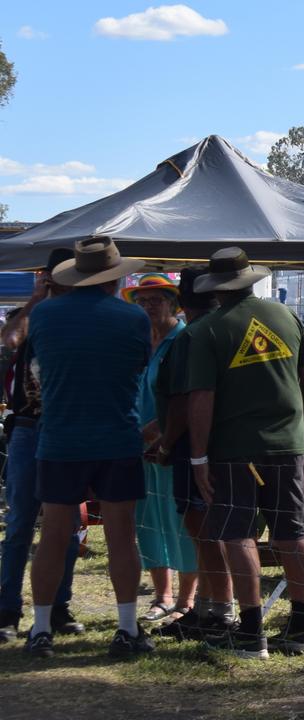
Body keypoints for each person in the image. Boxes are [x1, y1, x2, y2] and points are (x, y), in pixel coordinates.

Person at [186, 247, 304, 659]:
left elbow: (201, 398)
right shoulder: (286, 317)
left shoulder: (206, 330)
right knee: (292, 533)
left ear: (215, 288)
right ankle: (302, 625)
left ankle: (251, 633)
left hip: (234, 450)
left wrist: (197, 458)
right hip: (288, 446)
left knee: (238, 533)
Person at [24, 237, 153, 659]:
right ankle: (127, 627)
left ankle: (41, 629)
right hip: (117, 437)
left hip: (60, 438)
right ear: (113, 278)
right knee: (121, 538)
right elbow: (137, 366)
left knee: (53, 538)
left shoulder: (43, 315)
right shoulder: (133, 318)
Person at [0, 249, 85, 645]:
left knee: (67, 527)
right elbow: (9, 341)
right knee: (19, 524)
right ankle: (7, 610)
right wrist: (36, 299)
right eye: (55, 275)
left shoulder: (85, 313)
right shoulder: (33, 313)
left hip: (68, 429)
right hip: (29, 428)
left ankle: (58, 606)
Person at [148, 267, 235, 641]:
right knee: (206, 529)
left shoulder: (193, 336)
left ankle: (220, 612)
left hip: (195, 445)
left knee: (203, 529)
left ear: (181, 301)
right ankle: (205, 608)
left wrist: (168, 442)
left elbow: (186, 400)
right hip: (225, 441)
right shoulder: (227, 329)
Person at [124, 273, 198, 626]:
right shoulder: (138, 341)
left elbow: (185, 397)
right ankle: (161, 595)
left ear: (173, 303)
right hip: (137, 447)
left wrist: (157, 432)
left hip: (174, 443)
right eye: (142, 301)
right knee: (148, 519)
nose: (149, 306)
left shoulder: (183, 340)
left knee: (180, 520)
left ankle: (187, 599)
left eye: (156, 300)